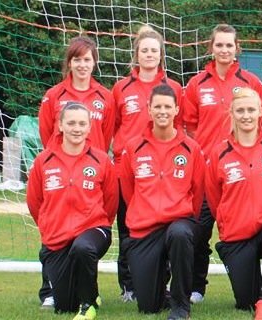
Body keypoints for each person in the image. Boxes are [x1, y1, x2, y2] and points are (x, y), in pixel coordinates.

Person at [181, 24, 262, 303]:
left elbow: (259, 124)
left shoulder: (251, 81)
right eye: (219, 45)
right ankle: (196, 287)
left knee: (248, 230)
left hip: (241, 173)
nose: (225, 50)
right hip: (207, 171)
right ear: (211, 47)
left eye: (229, 45)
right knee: (199, 232)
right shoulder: (196, 83)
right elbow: (191, 126)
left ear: (237, 48)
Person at [36, 35, 115, 309]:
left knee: (85, 242)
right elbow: (48, 134)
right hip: (59, 172)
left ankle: (88, 292)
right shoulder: (53, 96)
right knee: (52, 222)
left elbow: (106, 134)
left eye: (87, 59)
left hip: (91, 175)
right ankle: (48, 289)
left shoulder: (106, 97)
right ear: (69, 63)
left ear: (95, 63)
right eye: (77, 59)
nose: (82, 65)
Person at [204, 88, 262, 320]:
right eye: (240, 110)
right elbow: (214, 198)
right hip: (236, 234)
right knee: (244, 302)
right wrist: (228, 219)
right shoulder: (218, 153)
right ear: (231, 112)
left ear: (261, 112)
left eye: (251, 110)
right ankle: (258, 290)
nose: (246, 115)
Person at [111, 25, 184, 302]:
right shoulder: (120, 88)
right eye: (145, 50)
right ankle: (128, 285)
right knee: (127, 226)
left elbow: (181, 126)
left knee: (162, 229)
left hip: (163, 173)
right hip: (128, 170)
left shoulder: (174, 88)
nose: (149, 55)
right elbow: (112, 127)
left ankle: (162, 283)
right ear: (136, 54)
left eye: (154, 50)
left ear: (161, 54)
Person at [120, 84, 204, 320]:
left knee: (180, 234)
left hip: (178, 222)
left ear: (177, 109)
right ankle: (161, 285)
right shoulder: (133, 148)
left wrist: (184, 216)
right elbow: (129, 190)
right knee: (148, 306)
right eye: (157, 106)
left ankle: (181, 305)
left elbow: (197, 193)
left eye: (168, 106)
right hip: (144, 229)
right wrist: (144, 211)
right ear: (148, 109)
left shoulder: (191, 148)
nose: (162, 111)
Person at [27, 102, 117, 320]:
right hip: (58, 237)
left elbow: (111, 200)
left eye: (82, 123)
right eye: (71, 123)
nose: (77, 128)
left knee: (83, 248)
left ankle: (88, 306)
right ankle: (91, 294)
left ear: (89, 128)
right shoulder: (43, 161)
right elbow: (35, 201)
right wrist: (50, 225)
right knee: (64, 306)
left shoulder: (101, 160)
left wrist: (98, 221)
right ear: (60, 125)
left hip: (93, 231)